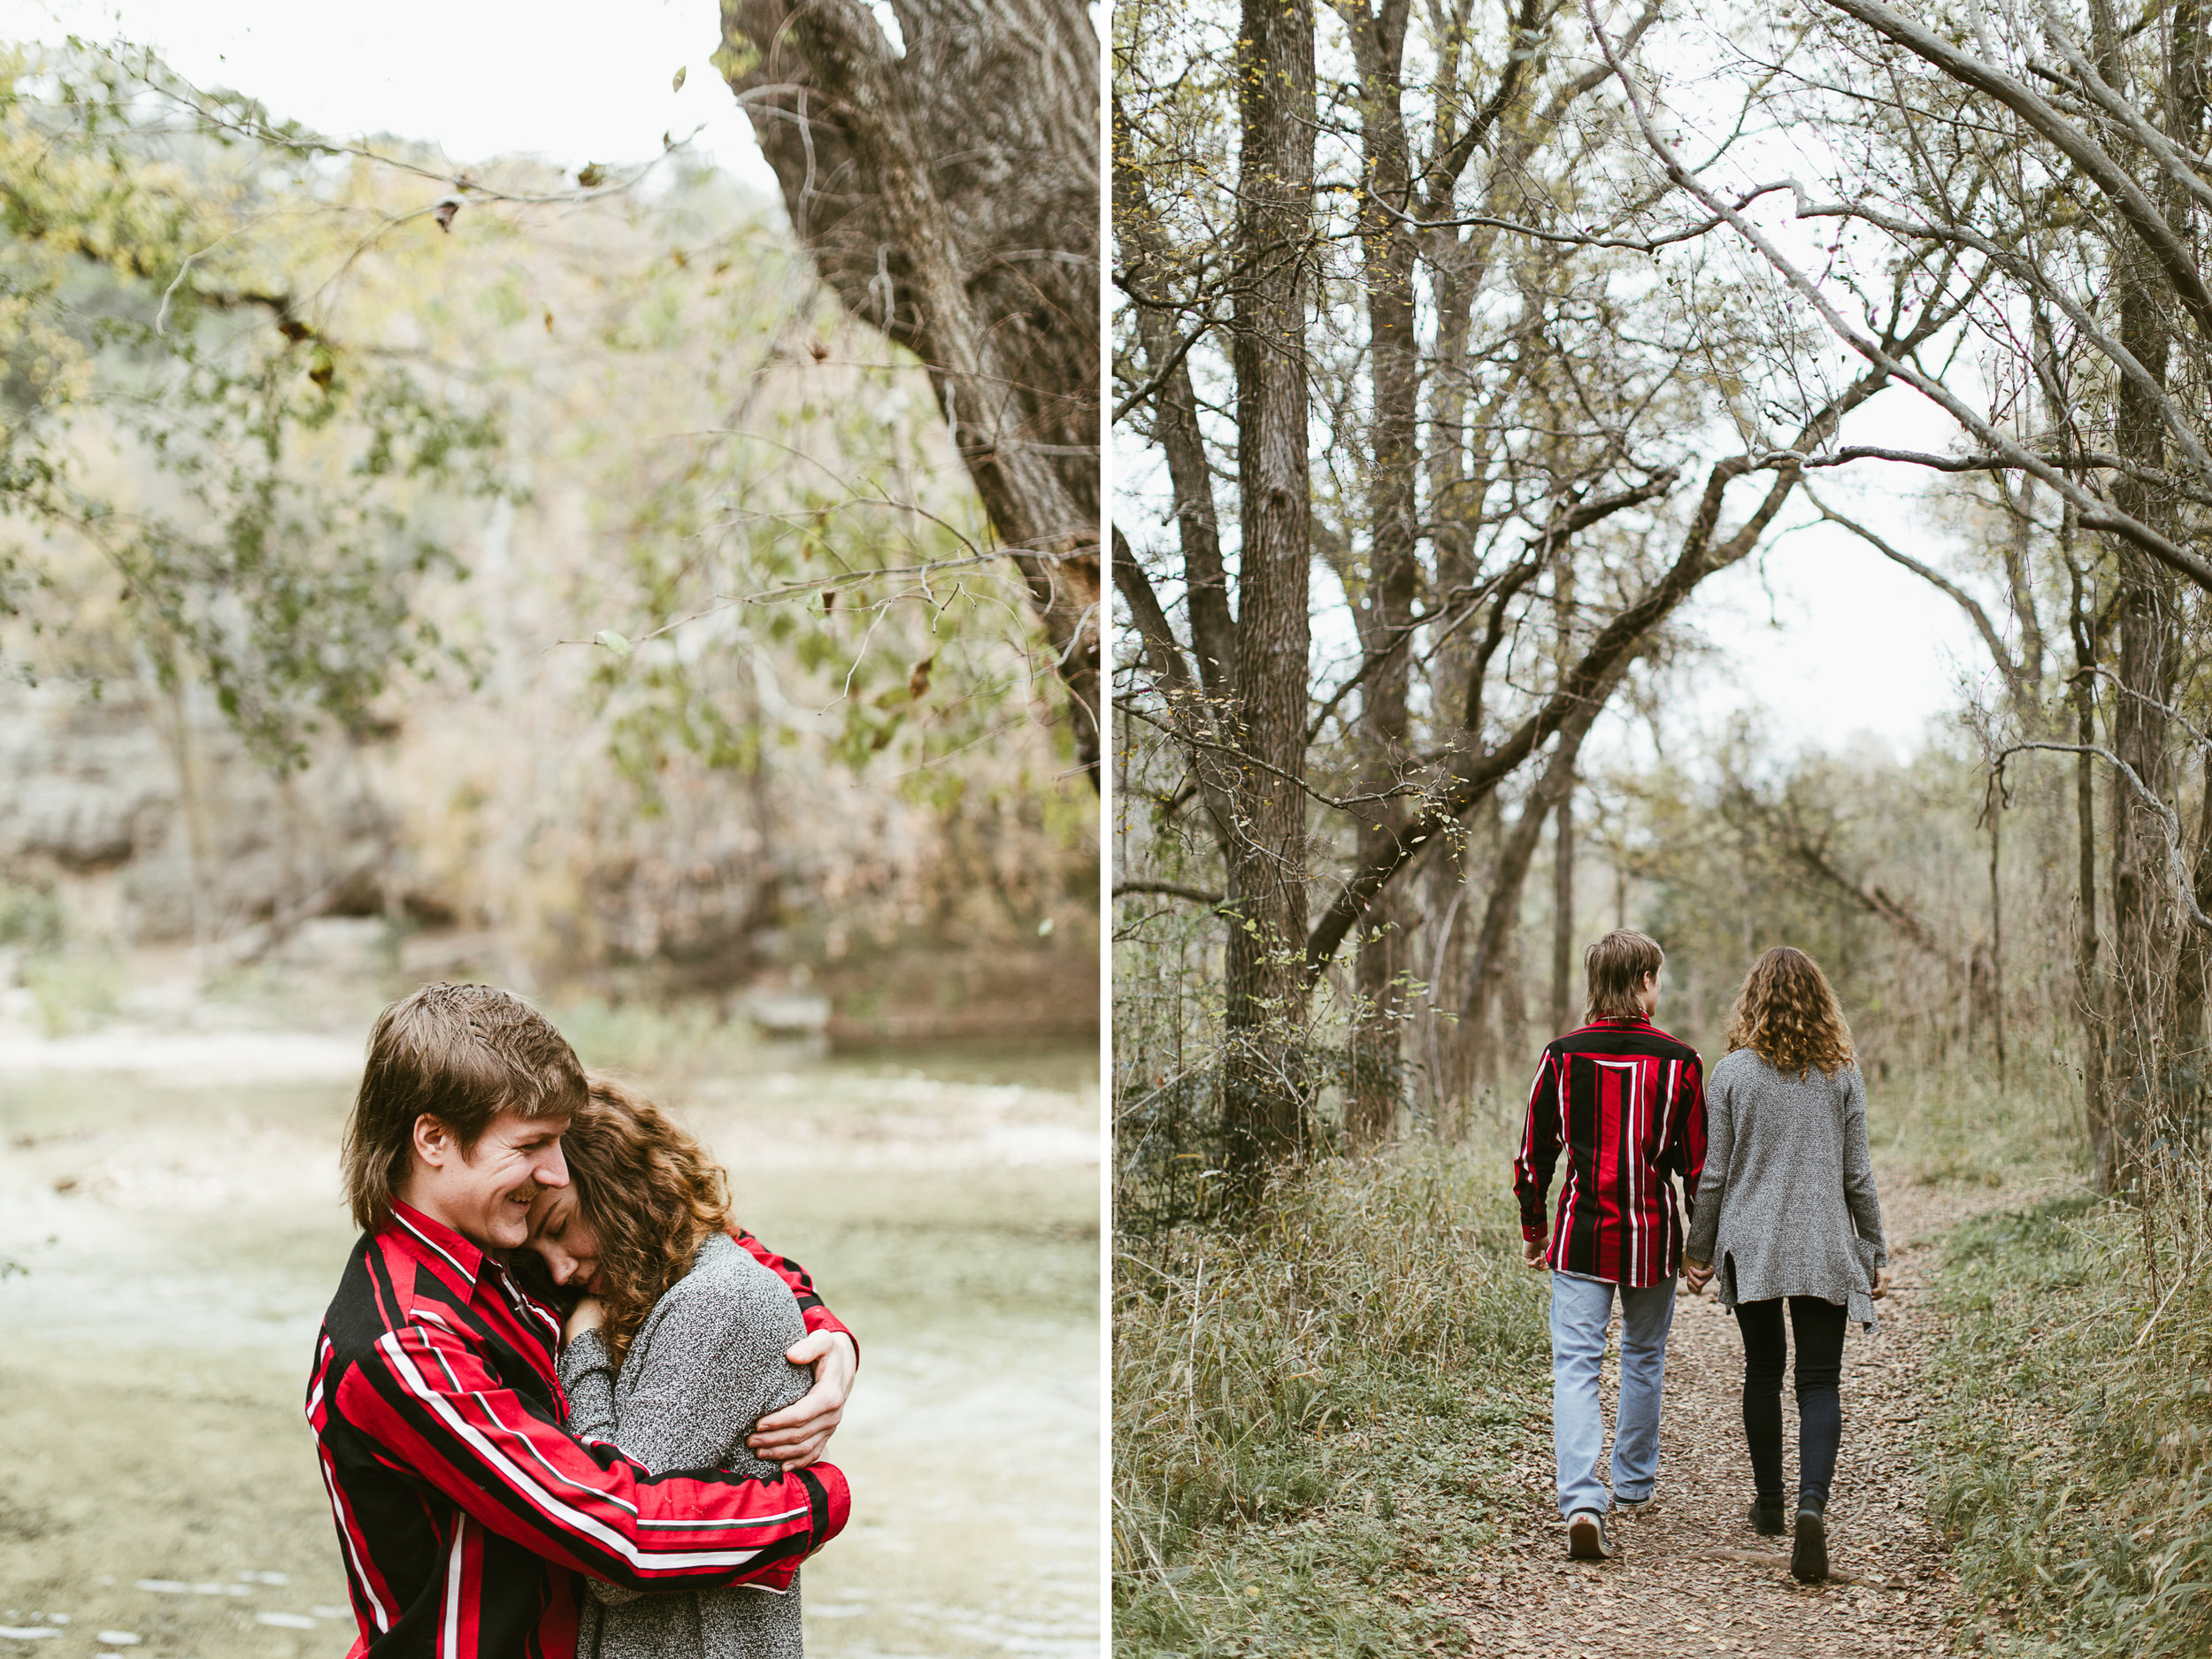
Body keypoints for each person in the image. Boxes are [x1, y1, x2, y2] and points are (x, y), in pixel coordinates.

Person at [308, 983, 854, 1659]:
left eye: (561, 1143)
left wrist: (820, 1325)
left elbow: (692, 1240)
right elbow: (619, 1535)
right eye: (533, 1143)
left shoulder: (497, 1249)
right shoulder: (406, 1344)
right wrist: (814, 1502)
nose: (556, 1169)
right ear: (435, 1138)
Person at [525, 1078, 816, 1659]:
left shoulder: (718, 1300)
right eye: (538, 1254)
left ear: (614, 1183)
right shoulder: (660, 1293)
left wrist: (583, 1348)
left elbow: (612, 1556)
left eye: (558, 1227)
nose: (560, 1271)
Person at [1683, 945, 1890, 1585]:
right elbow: (1858, 1173)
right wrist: (1874, 1245)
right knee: (1820, 1381)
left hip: (1753, 1245)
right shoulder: (1842, 1073)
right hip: (1825, 1243)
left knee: (1764, 1370)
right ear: (1821, 1002)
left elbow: (1713, 1174)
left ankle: (1770, 1504)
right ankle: (1811, 1504)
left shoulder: (1731, 1074)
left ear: (1752, 1000)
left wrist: (1698, 1250)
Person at [1513, 928, 1707, 1561]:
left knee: (1576, 1363)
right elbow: (1698, 1166)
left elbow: (1532, 1157)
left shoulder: (1563, 1056)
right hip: (1650, 1236)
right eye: (1658, 976)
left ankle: (1580, 1498)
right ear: (1646, 981)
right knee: (1644, 1354)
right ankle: (1633, 1485)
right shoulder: (1679, 1061)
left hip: (1581, 1232)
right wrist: (1699, 1244)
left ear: (1596, 984)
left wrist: (1534, 1227)